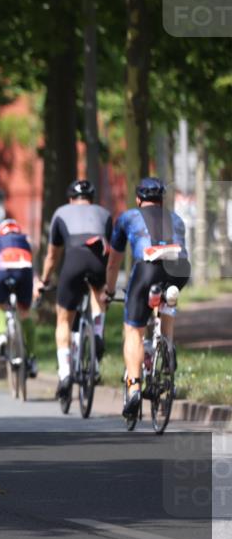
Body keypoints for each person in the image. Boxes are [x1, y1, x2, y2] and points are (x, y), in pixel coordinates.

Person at [104, 177, 191, 419]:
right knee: (167, 300)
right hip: (180, 268)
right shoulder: (177, 219)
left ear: (138, 199)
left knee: (134, 330)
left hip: (148, 267)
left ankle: (133, 387)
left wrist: (109, 291)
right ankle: (168, 347)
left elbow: (113, 263)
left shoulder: (127, 217)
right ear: (162, 199)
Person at [34, 180, 113, 399]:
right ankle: (97, 334)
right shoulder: (105, 213)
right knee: (99, 294)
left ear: (71, 199)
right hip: (98, 258)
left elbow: (52, 255)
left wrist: (44, 279)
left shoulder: (61, 213)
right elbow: (111, 249)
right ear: (92, 199)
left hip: (74, 259)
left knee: (63, 319)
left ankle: (65, 373)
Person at [0, 218, 37, 377]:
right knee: (25, 311)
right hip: (23, 271)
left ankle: (2, 334)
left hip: (1, 272)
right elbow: (32, 259)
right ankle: (31, 357)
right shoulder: (26, 239)